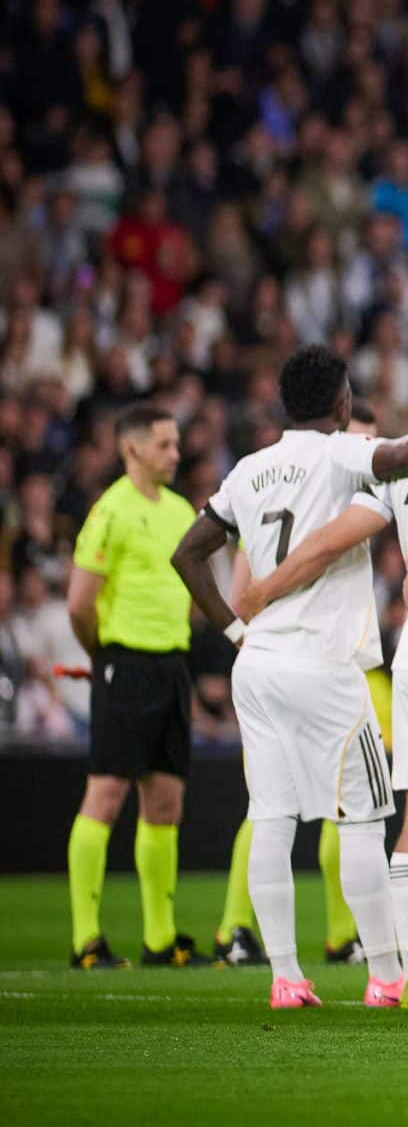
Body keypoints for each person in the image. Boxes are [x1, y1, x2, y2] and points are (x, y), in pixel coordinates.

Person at [164, 346, 408, 1008]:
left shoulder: (249, 469)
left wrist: (236, 629)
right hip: (327, 665)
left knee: (270, 817)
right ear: (342, 403)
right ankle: (387, 974)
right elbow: (403, 454)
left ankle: (286, 976)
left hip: (259, 664)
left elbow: (187, 553)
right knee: (361, 819)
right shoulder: (342, 452)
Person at [64, 405, 202, 968]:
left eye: (176, 443)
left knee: (165, 801)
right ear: (132, 449)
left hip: (172, 665)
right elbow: (79, 603)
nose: (175, 453)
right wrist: (104, 656)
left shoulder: (178, 511)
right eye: (165, 445)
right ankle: (85, 939)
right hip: (123, 662)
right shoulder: (110, 511)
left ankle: (159, 937)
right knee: (106, 794)